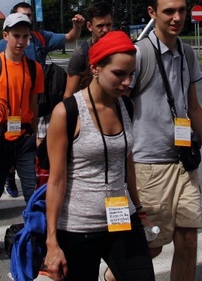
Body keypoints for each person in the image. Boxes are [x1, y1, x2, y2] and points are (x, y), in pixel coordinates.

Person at [125, 0, 202, 281]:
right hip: (148, 165)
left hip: (184, 162)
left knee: (188, 238)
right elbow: (119, 107)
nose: (177, 17)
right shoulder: (139, 54)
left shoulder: (187, 53)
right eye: (169, 11)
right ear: (152, 13)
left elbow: (193, 107)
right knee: (151, 245)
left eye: (181, 10)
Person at [45, 31, 154, 281]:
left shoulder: (126, 106)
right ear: (95, 68)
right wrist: (52, 241)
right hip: (78, 228)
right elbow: (56, 180)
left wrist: (139, 209)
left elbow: (127, 163)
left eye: (131, 75)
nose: (127, 82)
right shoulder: (67, 112)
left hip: (122, 220)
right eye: (119, 74)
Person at [0, 12, 44, 256]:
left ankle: (36, 237)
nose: (21, 41)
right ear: (5, 36)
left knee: (33, 190)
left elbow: (34, 105)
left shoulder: (34, 69)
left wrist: (33, 134)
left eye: (25, 36)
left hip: (23, 138)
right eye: (16, 36)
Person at [0, 2, 85, 198]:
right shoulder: (4, 45)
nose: (27, 19)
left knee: (39, 143)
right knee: (13, 146)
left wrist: (77, 27)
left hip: (41, 101)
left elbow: (70, 38)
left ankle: (40, 182)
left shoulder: (40, 37)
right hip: (14, 107)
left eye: (29, 15)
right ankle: (10, 175)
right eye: (22, 15)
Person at [63, 2, 113, 99]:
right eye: (100, 26)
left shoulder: (118, 51)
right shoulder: (81, 54)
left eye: (109, 25)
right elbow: (69, 95)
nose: (106, 30)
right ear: (89, 26)